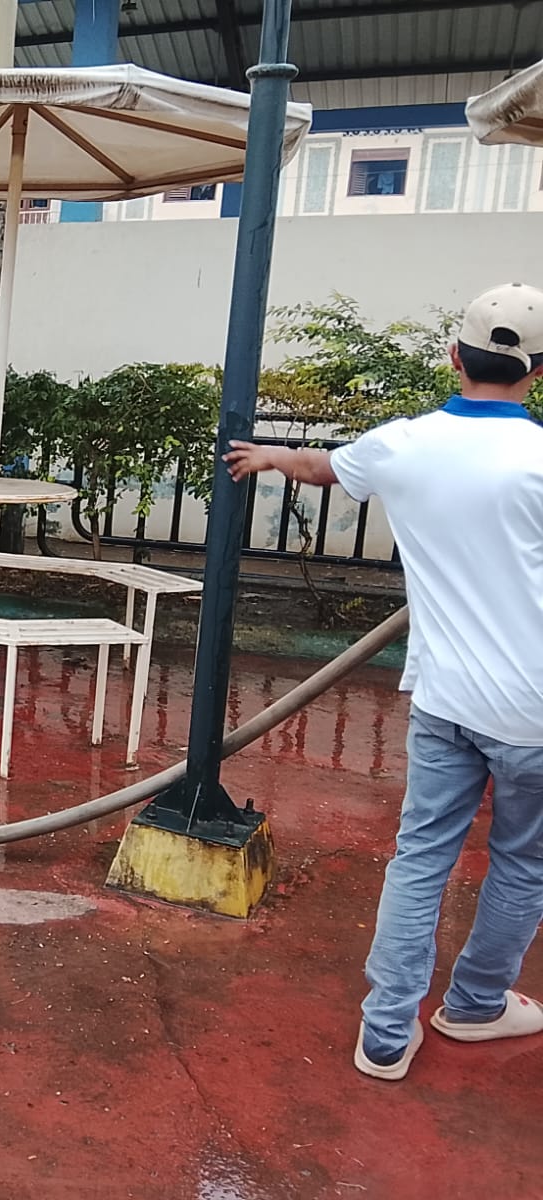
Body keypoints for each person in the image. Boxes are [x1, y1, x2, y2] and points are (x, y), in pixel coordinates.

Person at [225, 282, 543, 1082]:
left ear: (454, 355)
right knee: (522, 864)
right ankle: (475, 1006)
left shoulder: (403, 445)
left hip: (445, 701)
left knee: (421, 857)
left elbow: (323, 468)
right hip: (535, 714)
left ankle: (386, 1035)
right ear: (538, 371)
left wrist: (267, 457)